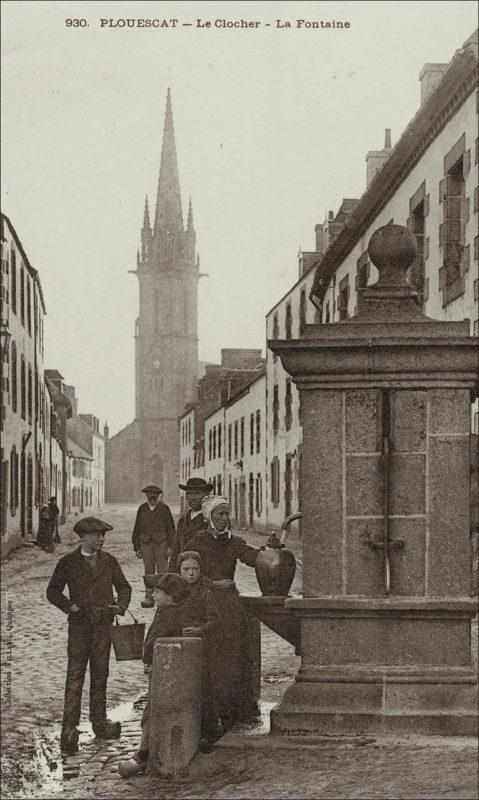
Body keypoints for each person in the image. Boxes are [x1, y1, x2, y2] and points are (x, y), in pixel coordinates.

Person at [46, 516, 132, 754]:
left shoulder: (110, 561)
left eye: (103, 535)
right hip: (79, 627)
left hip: (103, 626)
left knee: (100, 674)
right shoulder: (68, 562)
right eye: (96, 535)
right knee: (75, 677)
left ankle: (100, 722)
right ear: (83, 537)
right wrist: (69, 606)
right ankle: (69, 728)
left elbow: (124, 586)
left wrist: (120, 606)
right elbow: (52, 591)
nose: (101, 539)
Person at [186, 496, 261, 730]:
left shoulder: (233, 542)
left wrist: (266, 552)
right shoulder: (196, 543)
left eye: (227, 514)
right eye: (220, 514)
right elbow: (186, 573)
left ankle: (235, 713)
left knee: (235, 658)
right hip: (205, 607)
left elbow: (250, 557)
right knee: (211, 661)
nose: (225, 519)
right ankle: (210, 716)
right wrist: (214, 584)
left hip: (229, 608)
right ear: (208, 517)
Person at [118, 573, 188, 778]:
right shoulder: (165, 610)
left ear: (171, 595)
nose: (153, 595)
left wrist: (151, 660)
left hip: (163, 671)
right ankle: (146, 752)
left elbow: (158, 641)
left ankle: (145, 754)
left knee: (151, 712)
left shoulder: (170, 614)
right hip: (158, 668)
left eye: (157, 592)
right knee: (150, 711)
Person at [177, 550, 221, 752]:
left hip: (202, 645)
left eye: (195, 569)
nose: (191, 573)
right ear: (179, 571)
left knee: (204, 687)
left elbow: (215, 618)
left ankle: (207, 732)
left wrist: (201, 629)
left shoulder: (206, 593)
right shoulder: (174, 591)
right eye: (186, 569)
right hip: (179, 643)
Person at [132, 485, 176, 608]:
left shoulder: (164, 508)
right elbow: (137, 528)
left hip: (162, 543)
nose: (152, 497)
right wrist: (137, 547)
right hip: (145, 544)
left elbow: (171, 529)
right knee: (148, 571)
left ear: (158, 496)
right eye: (149, 494)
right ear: (146, 495)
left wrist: (170, 547)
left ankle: (165, 596)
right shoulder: (142, 509)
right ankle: (149, 597)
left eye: (155, 495)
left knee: (163, 571)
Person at [168, 477, 212, 570]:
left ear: (206, 495)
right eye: (189, 494)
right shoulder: (183, 520)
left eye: (197, 493)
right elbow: (176, 551)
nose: (193, 497)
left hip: (205, 571)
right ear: (186, 497)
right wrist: (171, 574)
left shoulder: (212, 519)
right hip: (184, 572)